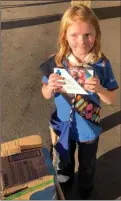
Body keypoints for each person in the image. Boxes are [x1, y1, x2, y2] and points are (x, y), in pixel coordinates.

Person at [40, 5, 119, 199]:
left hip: (88, 129)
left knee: (87, 164)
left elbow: (112, 98)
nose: (81, 42)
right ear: (64, 35)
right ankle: (64, 188)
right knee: (64, 163)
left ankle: (85, 190)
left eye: (87, 35)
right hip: (63, 127)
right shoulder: (57, 62)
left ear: (96, 34)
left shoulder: (102, 63)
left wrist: (99, 89)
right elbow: (45, 94)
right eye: (74, 35)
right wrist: (49, 86)